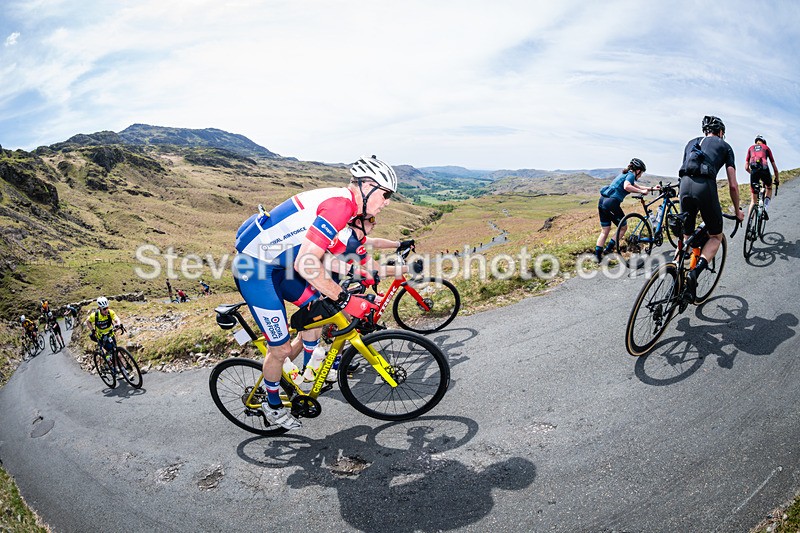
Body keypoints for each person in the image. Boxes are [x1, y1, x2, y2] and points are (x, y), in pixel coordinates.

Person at [232, 155, 394, 430]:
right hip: (255, 271)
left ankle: (310, 365)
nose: (387, 201)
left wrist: (359, 282)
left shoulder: (346, 210)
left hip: (280, 267)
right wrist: (344, 298)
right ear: (367, 186)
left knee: (320, 312)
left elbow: (329, 260)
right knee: (280, 347)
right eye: (386, 194)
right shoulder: (340, 206)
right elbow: (307, 264)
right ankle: (272, 404)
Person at [677, 116, 744, 299]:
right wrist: (737, 211)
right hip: (704, 187)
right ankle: (694, 273)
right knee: (715, 235)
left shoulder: (690, 142)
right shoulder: (725, 146)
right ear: (721, 132)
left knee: (687, 235)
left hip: (684, 186)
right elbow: (733, 185)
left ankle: (675, 272)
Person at [595, 158, 654, 261]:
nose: (640, 176)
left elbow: (637, 186)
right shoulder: (631, 175)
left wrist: (653, 189)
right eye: (641, 173)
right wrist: (641, 191)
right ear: (638, 170)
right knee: (623, 228)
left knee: (605, 230)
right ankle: (607, 251)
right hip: (611, 203)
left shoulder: (625, 174)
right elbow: (627, 187)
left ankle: (597, 257)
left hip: (602, 201)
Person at [745, 135, 780, 220]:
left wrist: (753, 173)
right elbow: (774, 167)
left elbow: (746, 167)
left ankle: (749, 223)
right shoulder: (766, 148)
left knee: (753, 201)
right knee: (769, 187)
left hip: (753, 170)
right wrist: (777, 179)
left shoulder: (751, 148)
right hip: (764, 170)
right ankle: (765, 208)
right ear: (764, 142)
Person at [84, 297, 124, 362]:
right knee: (113, 352)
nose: (106, 310)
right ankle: (110, 364)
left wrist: (118, 324)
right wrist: (92, 330)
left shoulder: (110, 312)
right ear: (99, 308)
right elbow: (88, 321)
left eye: (107, 308)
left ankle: (118, 367)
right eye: (104, 309)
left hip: (111, 335)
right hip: (102, 338)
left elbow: (117, 319)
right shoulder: (95, 315)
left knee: (115, 351)